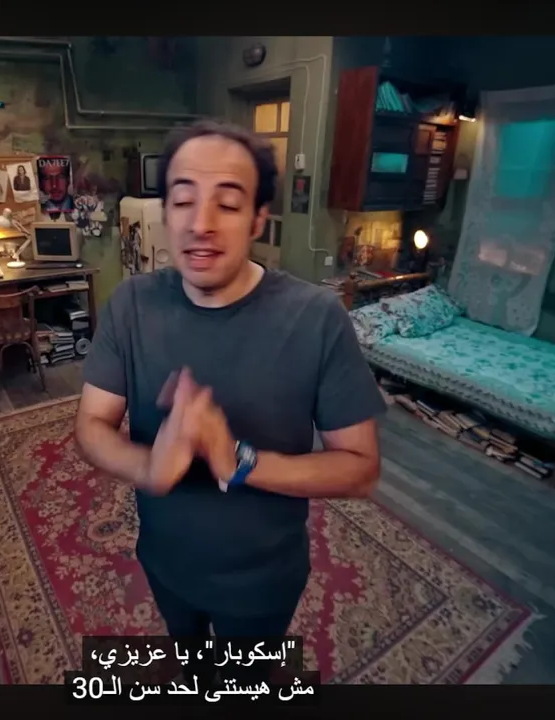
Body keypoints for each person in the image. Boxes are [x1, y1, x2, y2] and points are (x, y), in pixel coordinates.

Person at [75, 120, 385, 687]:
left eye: (228, 203)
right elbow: (92, 424)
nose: (201, 223)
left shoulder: (316, 319)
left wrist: (237, 459)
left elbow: (360, 469)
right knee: (192, 668)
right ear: (166, 211)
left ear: (258, 219)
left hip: (263, 582)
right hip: (164, 561)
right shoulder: (130, 304)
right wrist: (150, 465)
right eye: (183, 200)